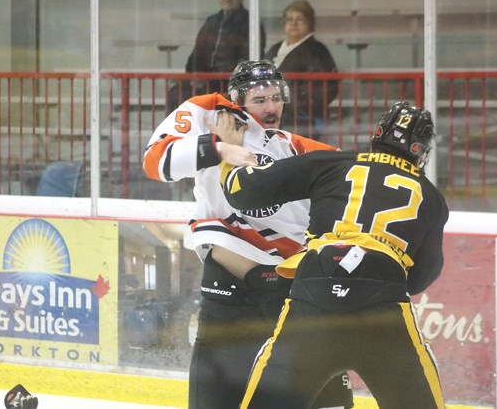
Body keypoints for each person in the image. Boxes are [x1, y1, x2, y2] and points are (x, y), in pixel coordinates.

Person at [144, 60, 353, 409]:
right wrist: (220, 148)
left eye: (276, 97)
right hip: (230, 287)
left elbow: (356, 176)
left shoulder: (293, 148)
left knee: (326, 398)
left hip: (290, 289)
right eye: (260, 99)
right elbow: (156, 161)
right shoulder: (209, 112)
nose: (271, 108)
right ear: (237, 100)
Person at [220, 101, 449, 408]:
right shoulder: (431, 197)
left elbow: (242, 191)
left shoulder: (332, 162)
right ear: (421, 149)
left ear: (377, 133)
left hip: (317, 285)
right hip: (383, 301)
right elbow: (423, 275)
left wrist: (228, 155)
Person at [167, 0, 266, 112]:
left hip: (230, 84)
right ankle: (176, 130)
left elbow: (249, 58)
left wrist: (227, 80)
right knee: (176, 93)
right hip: (205, 83)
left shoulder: (250, 22)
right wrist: (194, 76)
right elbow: (197, 53)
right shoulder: (212, 21)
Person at [264, 0, 338, 138]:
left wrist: (300, 108)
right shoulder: (275, 48)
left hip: (302, 122)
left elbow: (327, 87)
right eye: (289, 19)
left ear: (310, 24)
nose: (294, 23)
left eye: (300, 19)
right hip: (275, 117)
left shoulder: (317, 51)